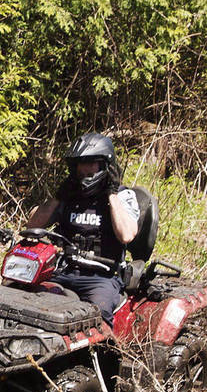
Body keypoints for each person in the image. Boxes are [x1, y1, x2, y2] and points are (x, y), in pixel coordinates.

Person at [25, 132, 138, 320]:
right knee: (27, 299)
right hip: (62, 272)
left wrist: (111, 194)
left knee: (96, 315)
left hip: (101, 278)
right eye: (80, 165)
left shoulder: (123, 196)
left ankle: (104, 349)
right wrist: (58, 196)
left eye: (90, 164)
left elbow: (126, 235)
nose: (84, 171)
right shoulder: (69, 194)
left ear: (104, 166)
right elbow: (33, 224)